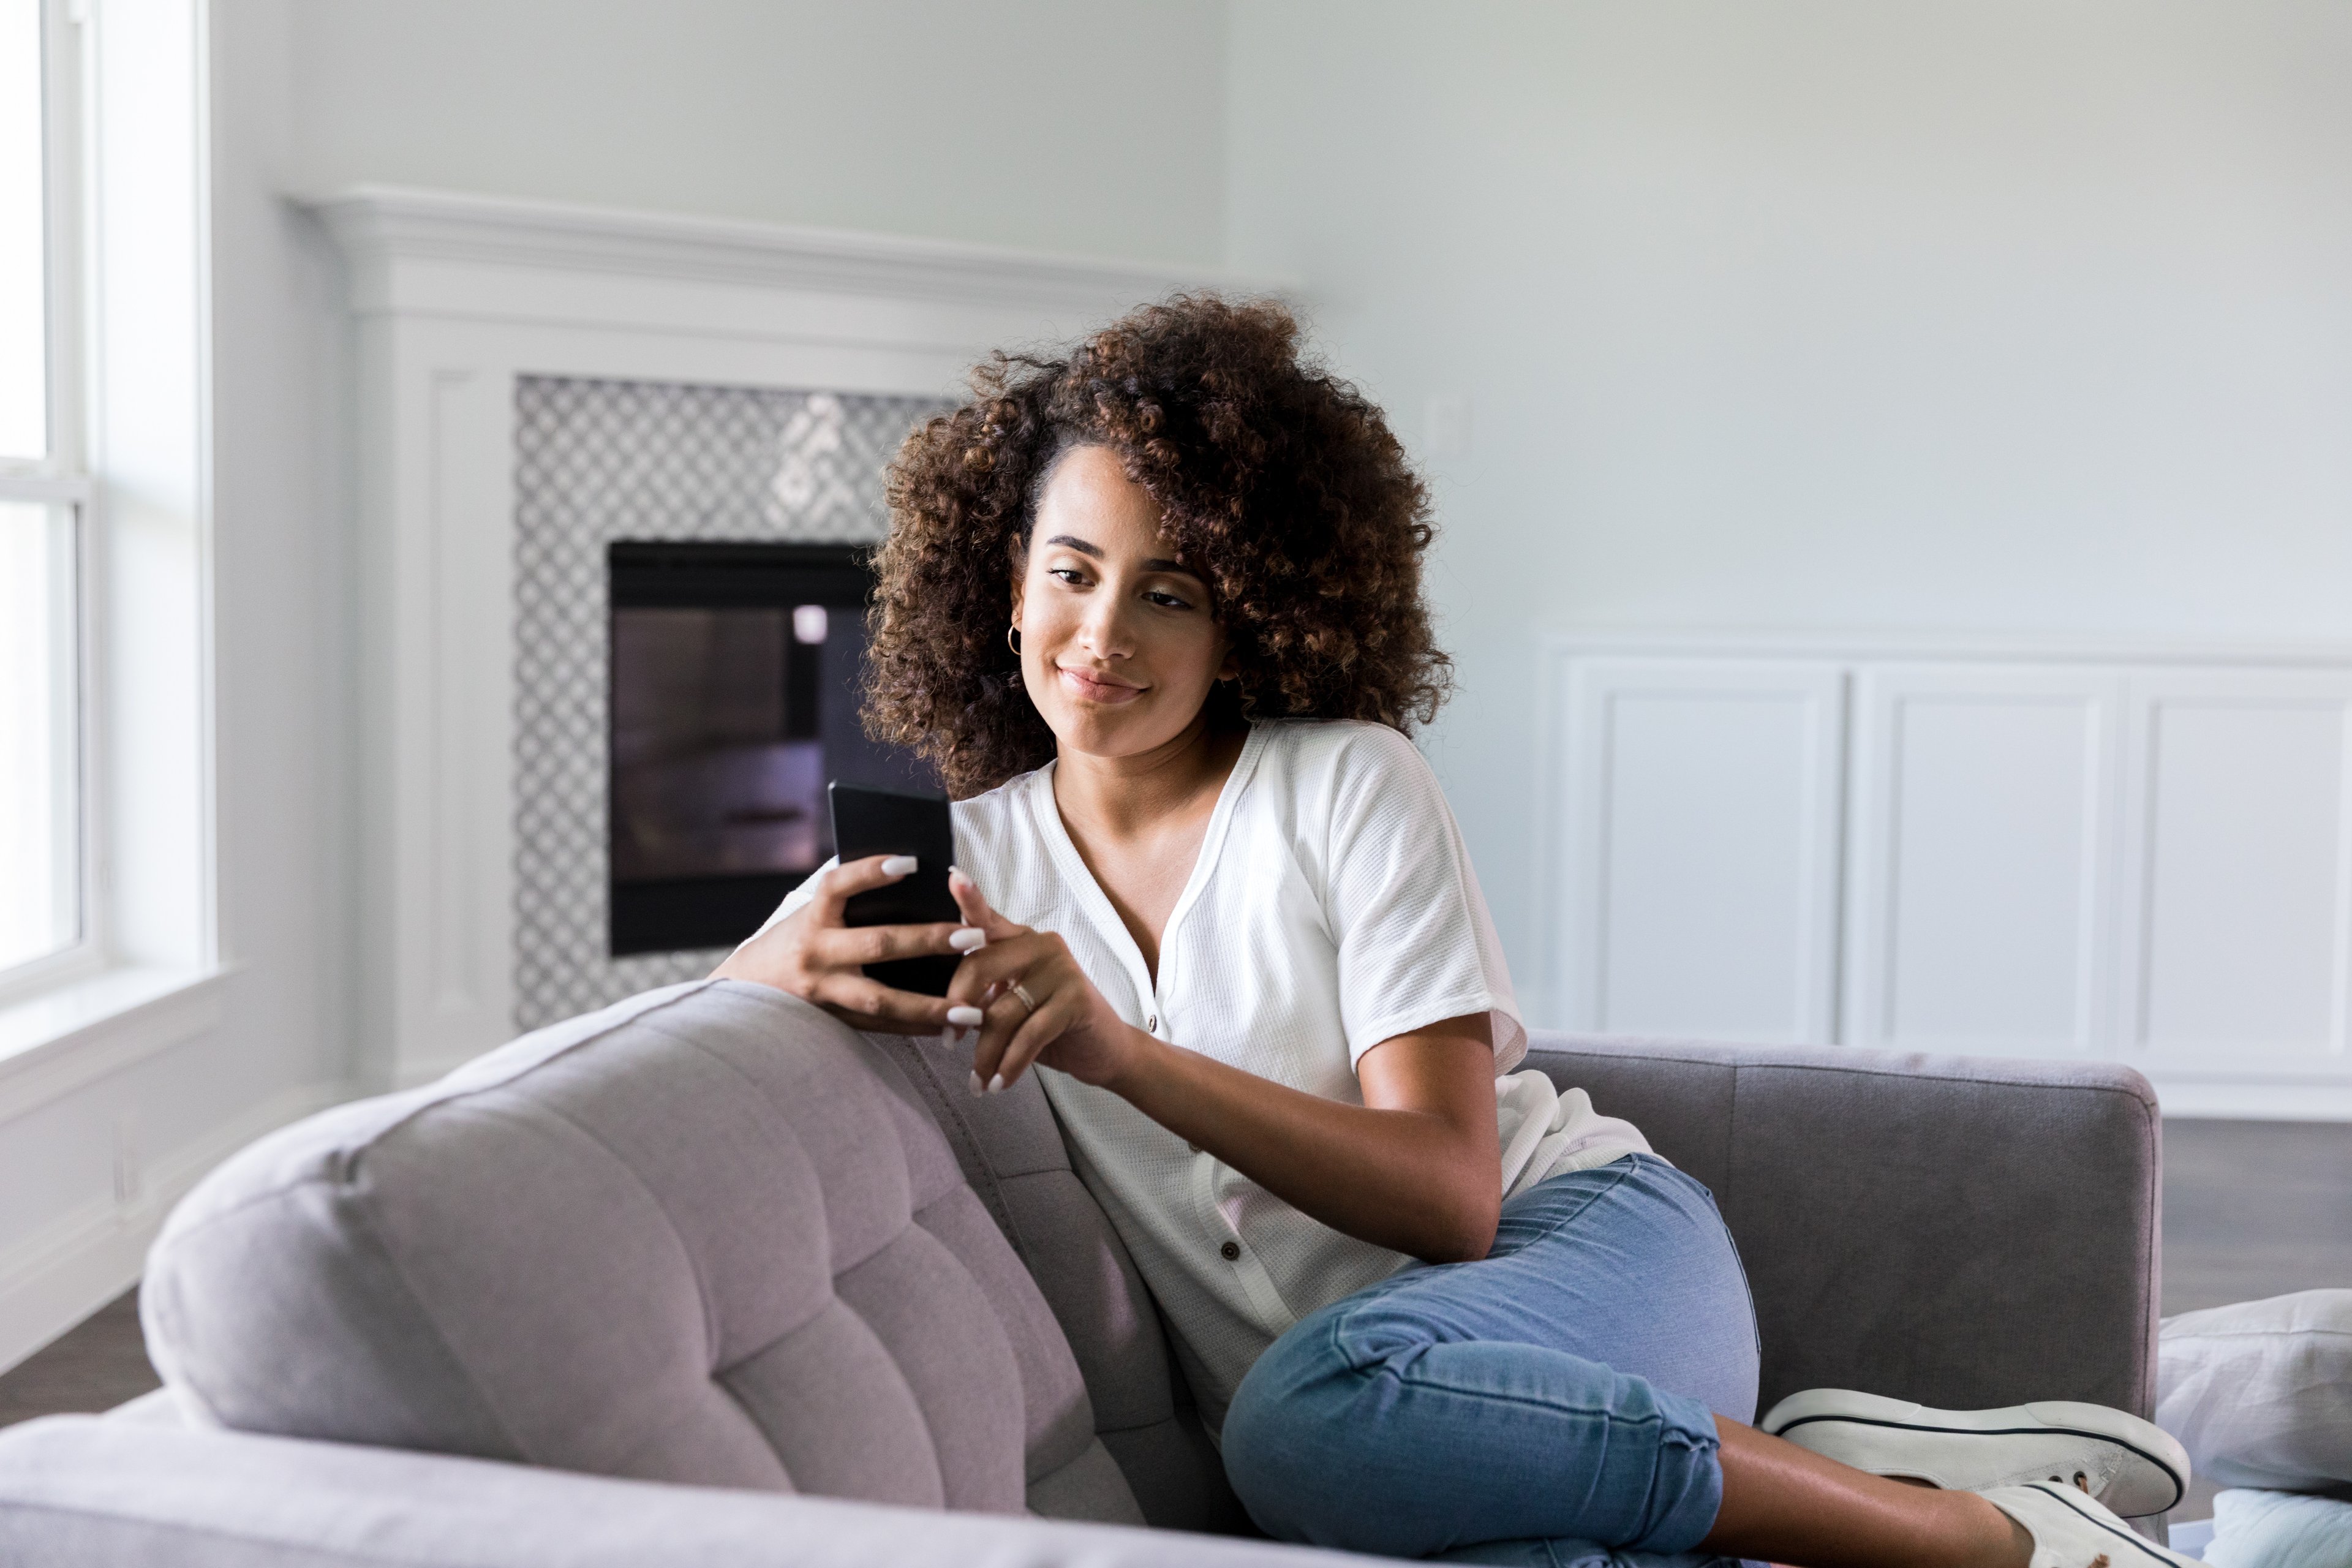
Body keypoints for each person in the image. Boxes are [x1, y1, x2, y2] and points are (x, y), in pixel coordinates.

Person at [717, 296, 2194, 1568]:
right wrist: (774, 965)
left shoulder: (1345, 779)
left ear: (1252, 618)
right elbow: (712, 1008)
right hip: (1411, 1445)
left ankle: (1979, 1537)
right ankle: (1819, 1467)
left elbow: (1451, 1199)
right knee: (1375, 1467)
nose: (1105, 633)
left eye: (1171, 591)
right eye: (1073, 570)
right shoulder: (963, 856)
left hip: (1591, 1264)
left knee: (1301, 1420)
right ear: (1006, 574)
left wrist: (1114, 1052)